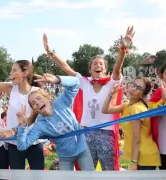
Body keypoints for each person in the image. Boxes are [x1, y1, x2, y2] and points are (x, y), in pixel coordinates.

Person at [42, 26, 135, 170]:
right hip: (86, 132)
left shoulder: (112, 82)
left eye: (101, 64)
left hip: (107, 133)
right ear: (90, 69)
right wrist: (51, 52)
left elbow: (117, 68)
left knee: (109, 170)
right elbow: (66, 68)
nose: (98, 65)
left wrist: (122, 49)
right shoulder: (84, 82)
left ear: (105, 69)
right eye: (95, 64)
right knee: (87, 172)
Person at [16, 73, 94, 171]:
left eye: (39, 98)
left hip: (82, 149)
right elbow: (22, 146)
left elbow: (76, 83)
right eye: (33, 104)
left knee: (90, 177)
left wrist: (57, 80)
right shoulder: (40, 126)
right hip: (65, 157)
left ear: (47, 98)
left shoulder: (61, 102)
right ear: (35, 110)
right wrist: (23, 126)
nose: (37, 103)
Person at [102, 77, 161, 170]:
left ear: (142, 95)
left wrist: (134, 163)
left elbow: (136, 139)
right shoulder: (128, 105)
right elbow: (105, 110)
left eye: (139, 88)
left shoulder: (136, 109)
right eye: (133, 85)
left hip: (144, 157)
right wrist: (111, 93)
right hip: (139, 156)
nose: (134, 88)